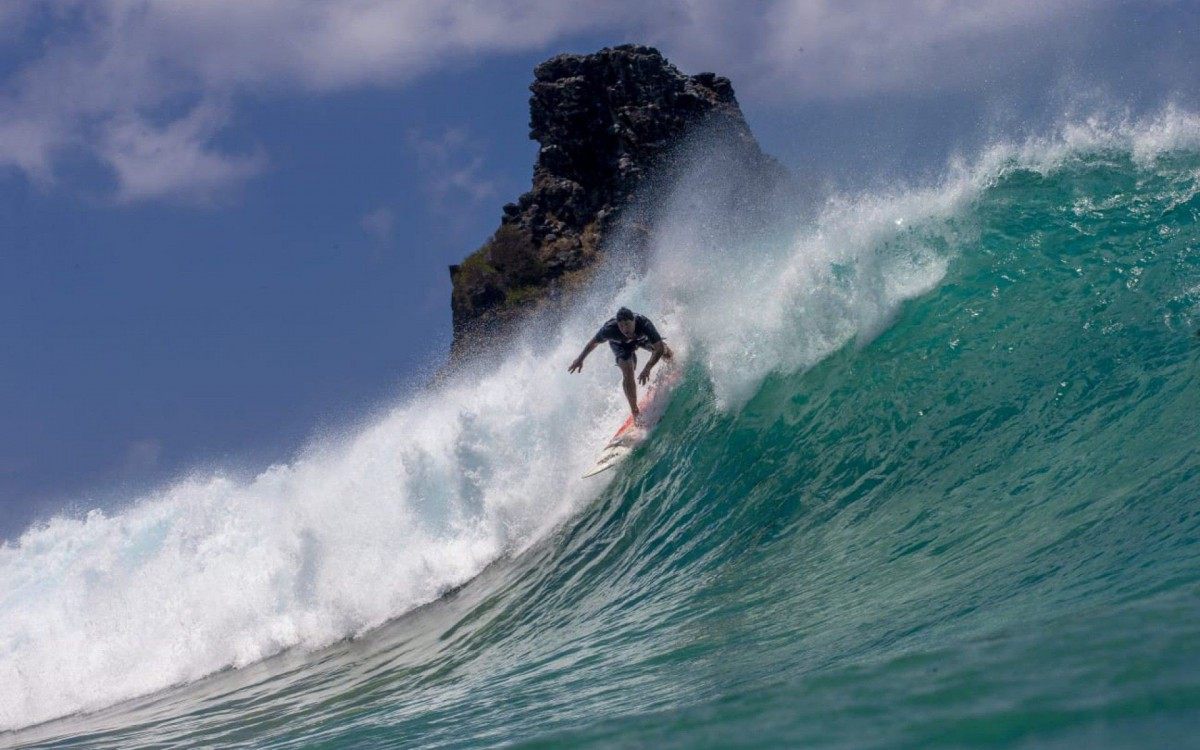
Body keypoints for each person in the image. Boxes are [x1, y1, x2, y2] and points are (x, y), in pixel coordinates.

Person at [568, 307, 673, 421]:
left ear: (633, 320)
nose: (625, 329)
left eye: (627, 324)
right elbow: (593, 343)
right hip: (620, 346)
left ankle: (673, 367)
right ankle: (635, 412)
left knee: (666, 352)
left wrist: (647, 368)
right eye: (621, 326)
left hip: (640, 340)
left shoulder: (644, 323)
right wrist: (580, 359)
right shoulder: (609, 329)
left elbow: (659, 348)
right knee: (628, 370)